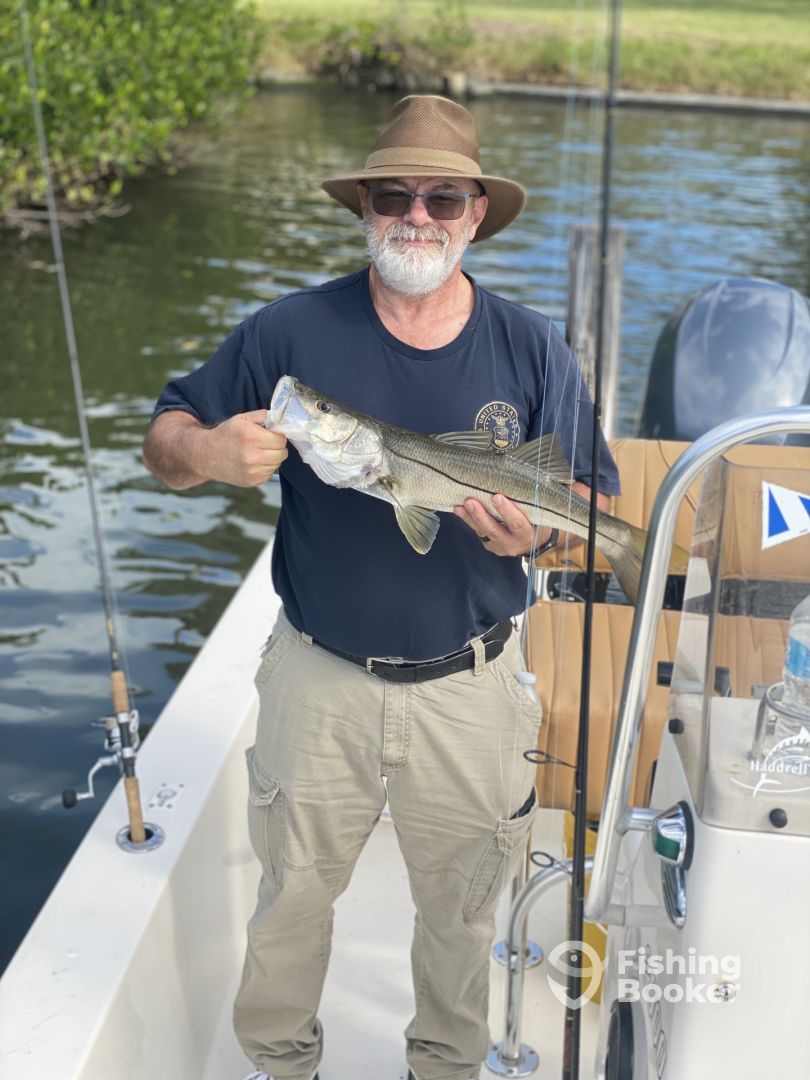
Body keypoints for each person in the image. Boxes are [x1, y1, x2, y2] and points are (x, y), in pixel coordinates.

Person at [142, 94, 620, 1080]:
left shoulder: (531, 345)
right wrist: (210, 451)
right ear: (364, 205)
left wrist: (537, 531)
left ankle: (441, 1068)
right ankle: (281, 1065)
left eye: (442, 198)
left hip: (472, 684)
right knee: (291, 901)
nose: (417, 215)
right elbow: (166, 436)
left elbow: (589, 498)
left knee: (461, 914)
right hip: (319, 678)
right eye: (394, 195)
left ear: (475, 214)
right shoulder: (288, 330)